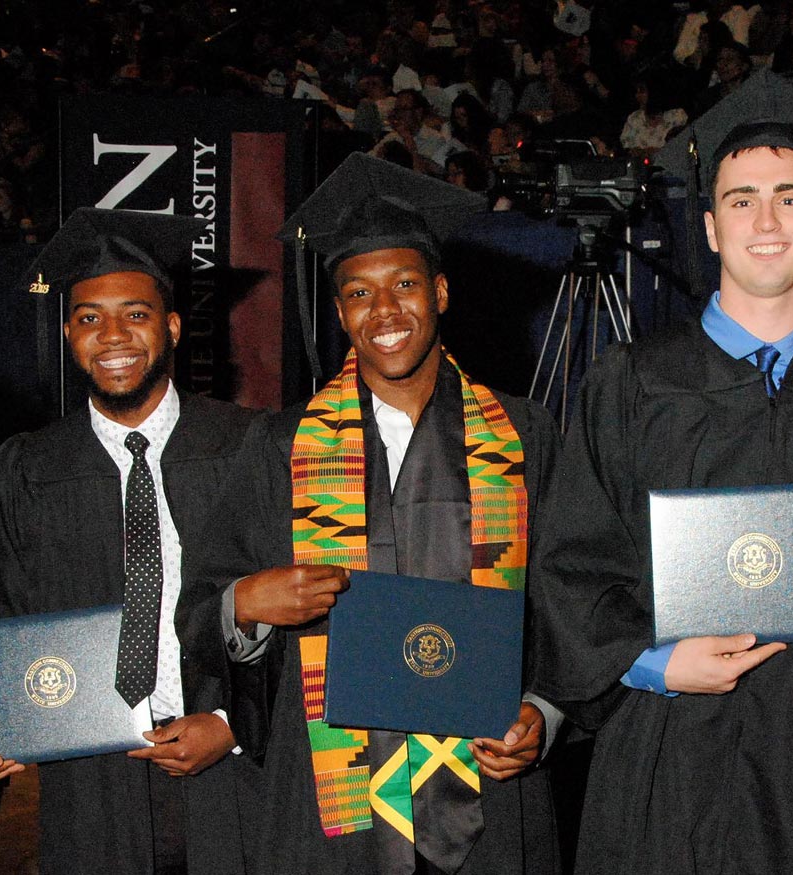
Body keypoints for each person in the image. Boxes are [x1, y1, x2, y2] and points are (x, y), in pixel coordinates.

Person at [528, 74, 793, 874]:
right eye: (741, 200)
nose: (765, 221)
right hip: (658, 751)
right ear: (708, 226)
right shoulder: (631, 382)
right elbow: (569, 564)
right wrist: (654, 660)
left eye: (789, 197)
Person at [190, 153, 563, 875]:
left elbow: (574, 600)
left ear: (442, 291)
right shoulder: (280, 445)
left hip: (491, 785)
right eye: (359, 292)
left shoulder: (524, 435)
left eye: (404, 284)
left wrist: (544, 714)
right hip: (335, 803)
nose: (384, 311)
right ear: (338, 312)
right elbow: (203, 606)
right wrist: (248, 602)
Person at [0, 208, 258, 875]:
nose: (112, 335)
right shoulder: (27, 468)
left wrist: (234, 723)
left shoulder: (250, 446)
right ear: (70, 333)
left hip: (234, 768)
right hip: (90, 775)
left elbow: (301, 620)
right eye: (87, 317)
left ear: (171, 326)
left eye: (135, 314)